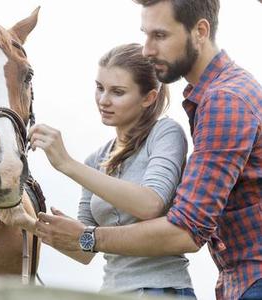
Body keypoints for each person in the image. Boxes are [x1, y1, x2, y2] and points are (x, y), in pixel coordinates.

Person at [31, 1, 262, 300]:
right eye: (146, 34)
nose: (147, 50)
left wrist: (87, 235)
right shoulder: (213, 98)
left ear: (200, 32)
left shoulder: (224, 101)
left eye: (160, 36)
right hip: (239, 280)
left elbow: (187, 231)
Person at [24, 43, 195, 298]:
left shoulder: (165, 134)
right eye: (100, 88)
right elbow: (84, 250)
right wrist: (25, 221)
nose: (104, 100)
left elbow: (151, 204)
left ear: (149, 98)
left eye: (118, 92)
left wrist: (67, 165)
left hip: (160, 289)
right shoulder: (96, 160)